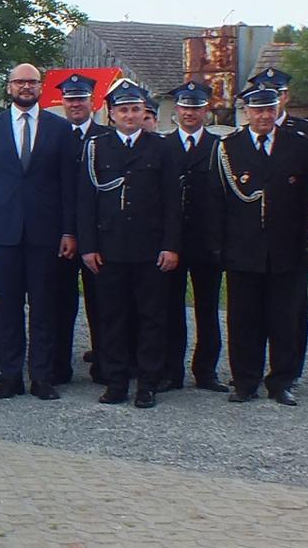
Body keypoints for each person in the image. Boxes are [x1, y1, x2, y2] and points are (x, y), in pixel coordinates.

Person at [0, 63, 77, 401]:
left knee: (44, 308)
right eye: (20, 82)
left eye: (32, 82)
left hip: (46, 233)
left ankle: (41, 377)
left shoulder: (60, 129)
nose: (26, 87)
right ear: (9, 87)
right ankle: (10, 376)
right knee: (9, 308)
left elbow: (68, 185)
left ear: (41, 87)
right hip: (3, 232)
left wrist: (69, 231)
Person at [208, 87, 308, 406]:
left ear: (278, 109)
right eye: (258, 110)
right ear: (246, 112)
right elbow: (216, 201)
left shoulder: (299, 145)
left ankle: (282, 381)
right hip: (243, 249)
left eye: (270, 109)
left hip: (288, 249)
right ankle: (245, 381)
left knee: (285, 319)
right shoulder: (229, 147)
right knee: (243, 319)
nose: (264, 116)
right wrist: (218, 247)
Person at [76, 83, 182, 408]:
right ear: (112, 114)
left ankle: (147, 384)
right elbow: (86, 202)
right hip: (109, 249)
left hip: (150, 249)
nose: (130, 115)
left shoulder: (161, 148)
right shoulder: (97, 148)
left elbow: (173, 203)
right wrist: (88, 246)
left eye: (136, 109)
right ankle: (116, 382)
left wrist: (171, 246)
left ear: (143, 112)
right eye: (123, 110)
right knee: (112, 318)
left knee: (151, 318)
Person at [163, 81, 228, 393]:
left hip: (207, 242)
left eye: (196, 107)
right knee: (170, 310)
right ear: (177, 110)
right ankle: (171, 372)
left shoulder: (219, 147)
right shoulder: (162, 146)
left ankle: (206, 372)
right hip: (171, 242)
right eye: (185, 107)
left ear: (206, 110)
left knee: (207, 309)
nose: (190, 113)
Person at [53, 73, 107, 386]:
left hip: (97, 234)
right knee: (60, 303)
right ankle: (59, 367)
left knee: (101, 304)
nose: (75, 104)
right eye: (70, 99)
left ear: (92, 102)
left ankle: (104, 364)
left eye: (81, 99)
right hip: (60, 234)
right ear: (63, 102)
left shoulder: (106, 137)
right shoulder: (53, 136)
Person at [245, 67, 308, 159]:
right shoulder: (244, 135)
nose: (272, 100)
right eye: (265, 95)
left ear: (286, 96)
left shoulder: (307, 131)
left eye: (277, 94)